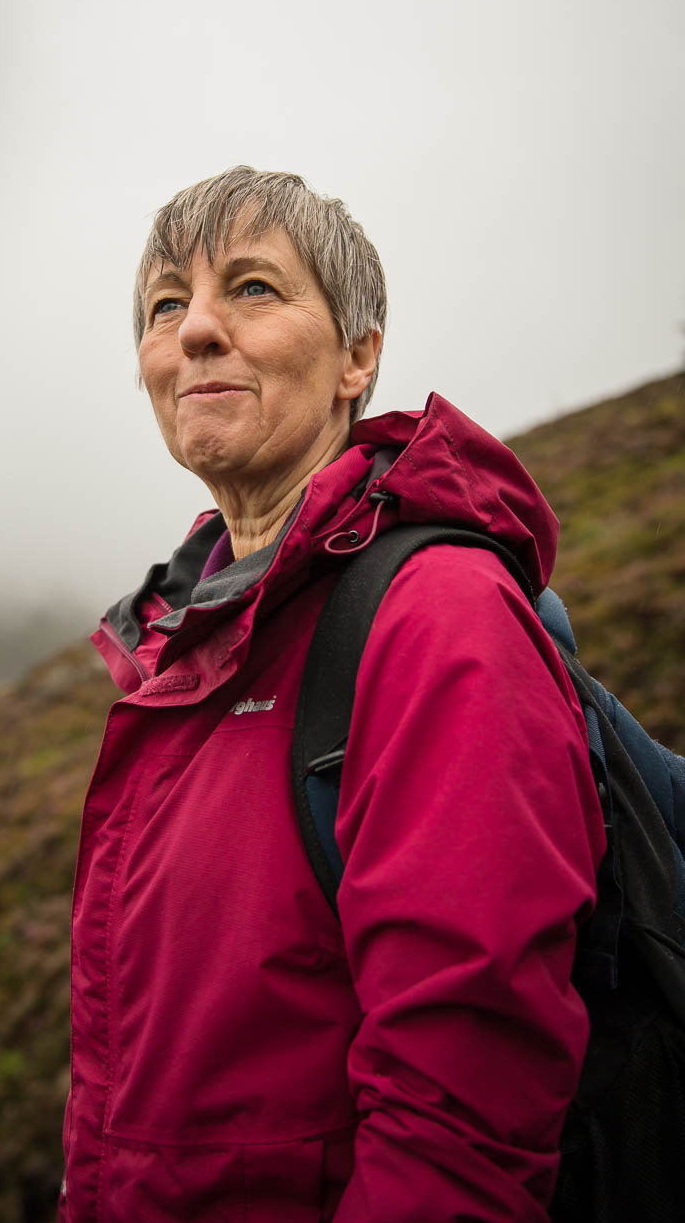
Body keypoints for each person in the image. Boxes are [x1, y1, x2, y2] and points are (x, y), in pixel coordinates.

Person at [61, 165, 607, 1222]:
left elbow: (460, 1121)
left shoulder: (436, 617)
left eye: (253, 289)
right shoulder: (181, 647)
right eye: (165, 305)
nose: (195, 331)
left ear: (359, 356)